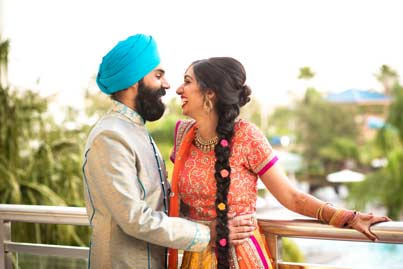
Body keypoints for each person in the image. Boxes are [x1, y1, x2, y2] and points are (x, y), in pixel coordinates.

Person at [169, 56, 391, 269]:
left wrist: (347, 217)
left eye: (187, 82)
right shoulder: (183, 136)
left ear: (210, 93)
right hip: (195, 255)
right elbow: (174, 204)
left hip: (242, 257)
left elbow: (292, 197)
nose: (179, 89)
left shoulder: (247, 136)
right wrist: (209, 230)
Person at [82, 35, 255, 269]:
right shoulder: (110, 136)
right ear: (135, 80)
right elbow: (135, 218)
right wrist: (208, 233)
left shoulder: (135, 131)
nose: (167, 85)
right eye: (158, 75)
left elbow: (161, 205)